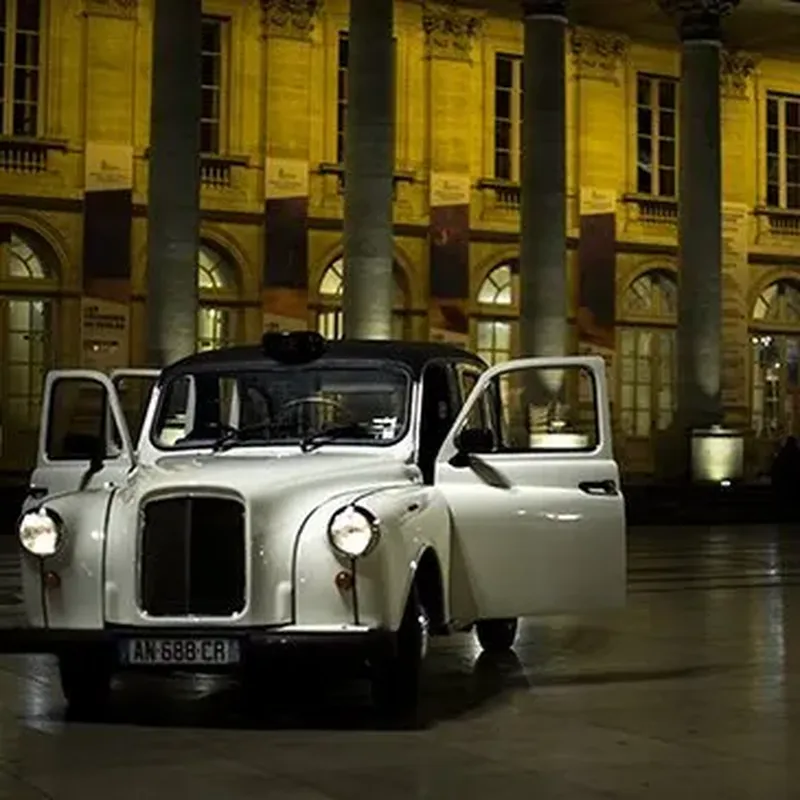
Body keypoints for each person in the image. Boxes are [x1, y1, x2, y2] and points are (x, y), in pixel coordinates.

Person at [771, 436, 800, 521]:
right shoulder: (797, 456)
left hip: (783, 488)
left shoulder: (782, 456)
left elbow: (775, 471)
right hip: (795, 488)